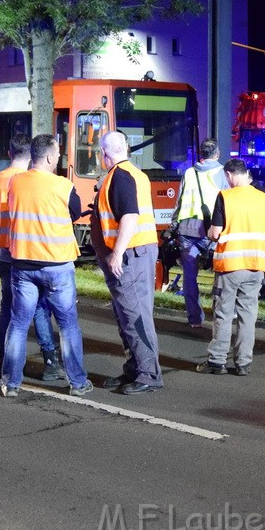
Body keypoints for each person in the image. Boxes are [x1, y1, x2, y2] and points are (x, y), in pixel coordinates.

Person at [0, 135, 92, 397]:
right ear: (50, 157)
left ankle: (11, 383)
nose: (59, 157)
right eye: (58, 153)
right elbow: (74, 213)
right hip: (57, 265)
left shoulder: (15, 182)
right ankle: (77, 382)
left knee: (18, 324)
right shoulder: (63, 186)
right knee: (68, 325)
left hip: (23, 264)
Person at [0, 133, 64, 382]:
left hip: (4, 254)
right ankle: (50, 361)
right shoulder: (26, 182)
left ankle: (3, 362)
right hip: (27, 252)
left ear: (9, 154)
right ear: (32, 155)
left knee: (7, 306)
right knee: (39, 307)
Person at [91, 131, 163, 395]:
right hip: (137, 252)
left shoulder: (119, 176)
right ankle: (135, 368)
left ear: (104, 154)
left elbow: (129, 217)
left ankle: (148, 373)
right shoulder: (132, 173)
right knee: (128, 315)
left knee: (135, 316)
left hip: (131, 254)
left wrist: (116, 252)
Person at [196, 159, 265, 377]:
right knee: (248, 315)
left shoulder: (225, 197)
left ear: (230, 175)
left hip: (230, 265)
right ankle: (243, 364)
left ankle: (217, 361)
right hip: (256, 265)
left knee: (223, 313)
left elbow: (216, 232)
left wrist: (209, 229)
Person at [169, 138, 228, 328]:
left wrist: (173, 225)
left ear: (202, 154)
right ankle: (222, 316)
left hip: (187, 230)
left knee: (189, 276)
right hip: (212, 231)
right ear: (217, 153)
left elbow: (179, 202)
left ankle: (194, 319)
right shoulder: (222, 173)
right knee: (222, 274)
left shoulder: (189, 172)